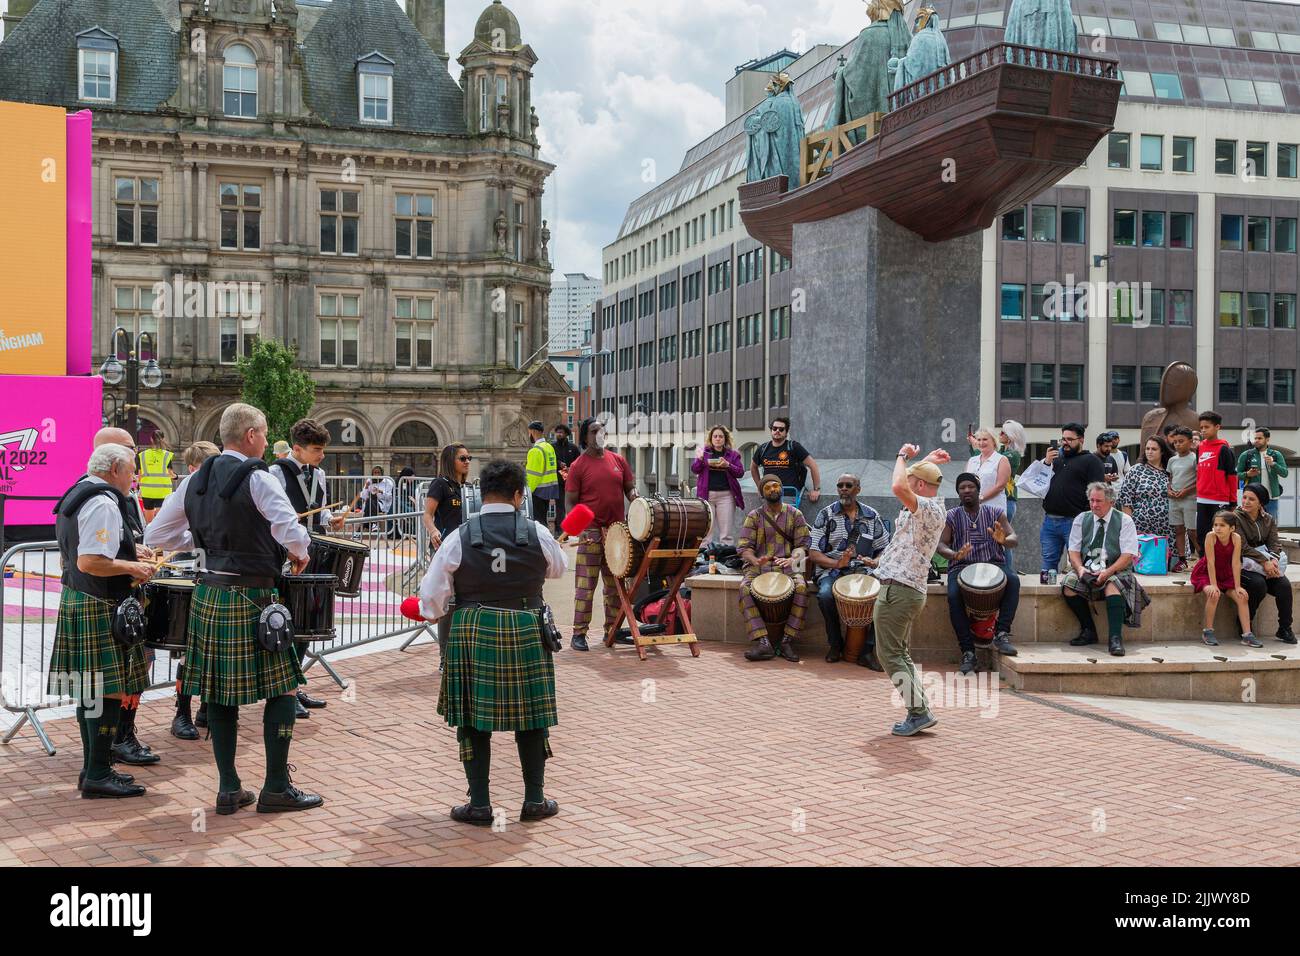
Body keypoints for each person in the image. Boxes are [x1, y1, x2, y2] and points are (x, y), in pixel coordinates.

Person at [146, 403, 324, 815]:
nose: (265, 440)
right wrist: (301, 552)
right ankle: (276, 787)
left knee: (218, 692)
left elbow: (157, 533)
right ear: (250, 436)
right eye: (263, 433)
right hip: (253, 595)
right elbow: (287, 527)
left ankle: (229, 788)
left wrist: (204, 538)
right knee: (283, 688)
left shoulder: (194, 479)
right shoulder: (258, 476)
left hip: (210, 594)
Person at [418, 459, 567, 825]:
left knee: (472, 717)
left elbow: (431, 596)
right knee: (531, 717)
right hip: (525, 623)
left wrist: (434, 611)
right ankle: (534, 800)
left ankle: (480, 804)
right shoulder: (537, 532)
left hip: (474, 625)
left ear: (481, 495)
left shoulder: (460, 535)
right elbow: (557, 568)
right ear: (519, 495)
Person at [50, 443, 157, 798]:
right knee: (108, 690)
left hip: (81, 598)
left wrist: (128, 549)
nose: (134, 478)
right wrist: (133, 566)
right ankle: (97, 773)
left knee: (89, 689)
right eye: (130, 471)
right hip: (99, 600)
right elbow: (90, 560)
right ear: (114, 469)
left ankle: (94, 768)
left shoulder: (79, 491)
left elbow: (87, 549)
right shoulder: (103, 502)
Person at [269, 418, 347, 719]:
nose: (322, 455)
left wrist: (331, 520)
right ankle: (284, 688)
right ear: (297, 449)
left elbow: (321, 512)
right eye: (317, 449)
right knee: (287, 622)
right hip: (284, 556)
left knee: (306, 622)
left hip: (311, 552)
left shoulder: (320, 474)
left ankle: (295, 683)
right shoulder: (275, 472)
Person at [873, 444, 951, 737]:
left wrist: (902, 456)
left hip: (900, 590)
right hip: (905, 589)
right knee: (899, 652)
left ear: (919, 485)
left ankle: (918, 712)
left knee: (889, 653)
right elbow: (910, 480)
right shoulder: (930, 503)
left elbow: (897, 484)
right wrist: (927, 460)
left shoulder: (926, 507)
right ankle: (920, 710)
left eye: (913, 480)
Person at [564, 418, 637, 651]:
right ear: (585, 436)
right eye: (594, 431)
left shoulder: (619, 460)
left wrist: (635, 496)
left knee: (615, 587)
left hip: (617, 533)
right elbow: (570, 502)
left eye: (602, 430)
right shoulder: (578, 466)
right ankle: (579, 634)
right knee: (586, 586)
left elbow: (629, 488)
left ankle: (611, 631)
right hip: (591, 533)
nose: (599, 434)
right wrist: (578, 532)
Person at [936, 473, 1019, 674]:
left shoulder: (995, 512)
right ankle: (968, 652)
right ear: (958, 491)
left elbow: (1013, 538)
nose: (966, 490)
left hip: (993, 564)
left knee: (1013, 581)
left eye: (970, 487)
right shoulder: (951, 515)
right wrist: (954, 554)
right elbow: (940, 544)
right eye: (962, 487)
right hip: (961, 567)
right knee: (954, 596)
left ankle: (1001, 633)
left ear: (978, 489)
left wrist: (1003, 541)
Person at [808, 473, 890, 667]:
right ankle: (835, 645)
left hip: (862, 570)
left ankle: (867, 651)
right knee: (825, 596)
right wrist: (837, 564)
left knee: (886, 597)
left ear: (858, 489)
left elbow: (885, 549)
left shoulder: (871, 515)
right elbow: (813, 553)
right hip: (832, 570)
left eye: (848, 485)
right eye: (840, 485)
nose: (843, 489)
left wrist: (874, 561)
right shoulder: (825, 514)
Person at [170, 440, 221, 741]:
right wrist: (195, 538)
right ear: (192, 467)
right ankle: (182, 713)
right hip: (190, 568)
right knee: (189, 650)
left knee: (211, 647)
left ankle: (206, 708)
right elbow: (166, 531)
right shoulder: (189, 486)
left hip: (212, 568)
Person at [1062, 482, 1147, 657]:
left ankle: (1115, 638)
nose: (1094, 505)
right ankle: (1088, 630)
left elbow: (1128, 555)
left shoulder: (1125, 520)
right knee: (1068, 585)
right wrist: (1080, 570)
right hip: (1087, 567)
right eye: (1092, 500)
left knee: (1112, 586)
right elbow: (1073, 550)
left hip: (1116, 569)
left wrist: (1107, 572)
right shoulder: (1081, 519)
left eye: (1099, 501)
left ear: (1111, 502)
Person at [738, 475, 811, 663]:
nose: (772, 489)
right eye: (768, 487)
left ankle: (787, 640)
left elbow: (803, 545)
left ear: (781, 489)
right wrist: (754, 560)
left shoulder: (796, 514)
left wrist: (793, 559)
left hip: (787, 564)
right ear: (762, 493)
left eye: (776, 485)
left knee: (802, 589)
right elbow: (744, 547)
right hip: (759, 566)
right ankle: (763, 642)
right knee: (744, 589)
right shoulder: (754, 516)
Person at [424, 443, 472, 659]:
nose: (467, 462)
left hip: (467, 551)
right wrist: (434, 531)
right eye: (462, 458)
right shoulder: (440, 484)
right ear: (450, 460)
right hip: (444, 550)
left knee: (466, 600)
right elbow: (427, 515)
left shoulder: (468, 488)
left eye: (468, 458)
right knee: (448, 604)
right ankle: (445, 656)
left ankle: (463, 652)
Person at [1040, 423, 1106, 575]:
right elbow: (1038, 480)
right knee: (1048, 564)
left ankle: (1076, 594)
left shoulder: (1092, 461)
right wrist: (1046, 462)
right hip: (1050, 520)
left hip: (1076, 521)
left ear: (1081, 439)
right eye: (1063, 439)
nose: (1065, 443)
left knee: (1079, 563)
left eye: (1070, 439)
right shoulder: (1055, 459)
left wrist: (1088, 517)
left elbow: (1097, 491)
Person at [1236, 483, 1295, 644]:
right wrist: (1264, 561)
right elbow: (1242, 547)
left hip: (1266, 565)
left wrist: (1273, 561)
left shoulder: (1268, 519)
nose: (1246, 502)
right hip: (1241, 565)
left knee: (1284, 585)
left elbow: (1275, 544)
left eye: (1251, 499)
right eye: (1245, 497)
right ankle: (1244, 626)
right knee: (1257, 584)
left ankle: (1284, 628)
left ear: (1260, 503)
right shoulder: (1235, 518)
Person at [1191, 510, 1257, 647]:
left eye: (1222, 525)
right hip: (1206, 573)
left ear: (1232, 528)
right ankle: (1208, 631)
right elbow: (1210, 562)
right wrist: (1214, 585)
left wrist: (1238, 586)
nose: (1217, 528)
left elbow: (1236, 563)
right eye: (1215, 525)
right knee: (1214, 594)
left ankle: (1247, 635)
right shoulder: (1211, 537)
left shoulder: (1236, 538)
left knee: (1242, 597)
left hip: (1226, 573)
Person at [691, 425, 745, 548]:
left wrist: (728, 465)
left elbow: (740, 472)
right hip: (707, 496)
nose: (718, 439)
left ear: (725, 439)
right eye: (715, 436)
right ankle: (704, 558)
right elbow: (695, 469)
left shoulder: (733, 455)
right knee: (706, 531)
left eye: (721, 436)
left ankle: (726, 557)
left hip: (726, 496)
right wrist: (699, 459)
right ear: (711, 438)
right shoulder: (704, 452)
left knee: (726, 533)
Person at [750, 417, 821, 504]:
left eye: (781, 429)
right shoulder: (763, 448)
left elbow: (813, 465)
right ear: (771, 430)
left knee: (785, 518)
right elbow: (753, 467)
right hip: (768, 495)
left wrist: (816, 489)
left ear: (786, 432)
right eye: (774, 428)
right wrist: (759, 486)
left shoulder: (794, 447)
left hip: (788, 495)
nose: (777, 431)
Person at [1195, 411, 1238, 555]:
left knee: (1221, 536)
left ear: (1217, 427)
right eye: (1201, 427)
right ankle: (1204, 566)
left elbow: (1232, 476)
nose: (1203, 430)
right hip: (1202, 498)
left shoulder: (1224, 449)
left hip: (1219, 500)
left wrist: (1233, 501)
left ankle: (1220, 566)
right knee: (1202, 535)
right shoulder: (1200, 447)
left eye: (1207, 427)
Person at [1117, 435, 1173, 539]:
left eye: (1154, 449)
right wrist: (1128, 526)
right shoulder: (1135, 470)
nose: (1149, 451)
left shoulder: (1170, 470)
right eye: (1147, 448)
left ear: (1162, 451)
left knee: (1167, 555)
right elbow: (1126, 501)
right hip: (1141, 527)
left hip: (1169, 528)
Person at [1237, 427, 1287, 520]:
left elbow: (1285, 473)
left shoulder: (1276, 454)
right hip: (1252, 498)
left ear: (1267, 439)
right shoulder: (1246, 455)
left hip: (1271, 498)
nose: (1256, 441)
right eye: (1255, 438)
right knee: (1251, 525)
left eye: (1259, 438)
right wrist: (1247, 474)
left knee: (1271, 525)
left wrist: (1273, 464)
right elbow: (1237, 475)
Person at [1166, 425, 1198, 571]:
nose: (1177, 444)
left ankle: (1202, 556)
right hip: (1174, 500)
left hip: (1190, 499)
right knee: (1179, 529)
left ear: (1190, 442)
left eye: (1181, 441)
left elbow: (1200, 481)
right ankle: (1182, 560)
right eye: (1176, 442)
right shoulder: (1172, 460)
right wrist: (1169, 490)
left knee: (1192, 531)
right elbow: (1170, 478)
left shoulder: (1194, 459)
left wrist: (1187, 491)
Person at [966, 427, 1011, 514]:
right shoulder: (972, 460)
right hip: (972, 510)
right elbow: (964, 482)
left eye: (985, 439)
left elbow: (1000, 486)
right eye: (978, 440)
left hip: (994, 510)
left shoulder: (1001, 460)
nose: (981, 443)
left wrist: (979, 499)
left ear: (993, 441)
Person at [525, 421, 560, 533]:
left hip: (538, 490)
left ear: (533, 432)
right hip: (550, 488)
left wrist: (527, 491)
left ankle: (541, 545)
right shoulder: (549, 447)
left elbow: (533, 475)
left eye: (528, 432)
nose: (528, 435)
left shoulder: (535, 451)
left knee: (538, 522)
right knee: (543, 520)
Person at [137, 431, 177, 523]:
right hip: (163, 491)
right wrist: (176, 477)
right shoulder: (167, 454)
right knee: (160, 522)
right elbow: (170, 473)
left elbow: (140, 475)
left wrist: (140, 487)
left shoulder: (142, 455)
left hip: (147, 491)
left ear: (151, 439)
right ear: (163, 439)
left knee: (149, 523)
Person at [552, 424, 581, 541]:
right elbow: (550, 460)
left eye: (561, 432)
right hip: (557, 481)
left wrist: (571, 468)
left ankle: (562, 529)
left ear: (567, 434)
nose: (559, 434)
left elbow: (579, 463)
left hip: (570, 482)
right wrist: (558, 463)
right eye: (557, 432)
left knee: (568, 506)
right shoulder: (551, 447)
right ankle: (561, 531)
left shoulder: (573, 448)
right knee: (560, 507)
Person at [999, 420, 1026, 522]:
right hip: (1001, 498)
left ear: (1011, 436)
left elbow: (991, 462)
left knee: (1001, 535)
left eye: (1002, 432)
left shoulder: (1013, 454)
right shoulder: (1002, 451)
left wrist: (977, 446)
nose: (999, 434)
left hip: (1006, 499)